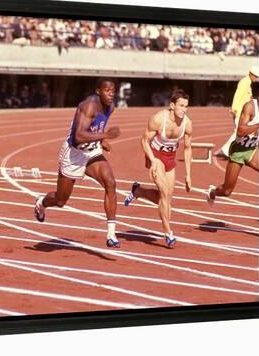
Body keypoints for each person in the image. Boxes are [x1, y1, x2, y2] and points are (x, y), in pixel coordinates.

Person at [34, 78, 122, 247]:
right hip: (73, 154)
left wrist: (101, 139)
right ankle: (41, 202)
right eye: (107, 90)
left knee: (110, 183)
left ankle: (111, 234)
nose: (111, 94)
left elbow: (97, 126)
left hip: (92, 152)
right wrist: (105, 136)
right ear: (98, 91)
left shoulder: (111, 107)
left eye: (113, 90)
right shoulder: (88, 106)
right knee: (60, 200)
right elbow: (78, 137)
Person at [123, 89, 193, 248]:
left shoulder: (187, 124)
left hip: (170, 160)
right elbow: (144, 140)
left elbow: (188, 148)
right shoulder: (158, 120)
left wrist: (188, 174)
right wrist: (152, 160)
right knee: (164, 193)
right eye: (181, 106)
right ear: (172, 105)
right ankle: (168, 233)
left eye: (186, 106)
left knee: (166, 197)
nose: (184, 109)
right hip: (156, 157)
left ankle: (138, 191)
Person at [207, 81, 259, 204]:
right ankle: (213, 191)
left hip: (252, 150)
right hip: (238, 151)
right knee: (227, 191)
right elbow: (240, 131)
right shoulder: (250, 107)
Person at [214, 65, 259, 159]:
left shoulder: (248, 83)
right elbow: (237, 96)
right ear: (251, 74)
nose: (257, 78)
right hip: (240, 112)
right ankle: (226, 150)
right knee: (238, 132)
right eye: (256, 76)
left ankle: (227, 150)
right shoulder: (244, 82)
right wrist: (234, 108)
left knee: (240, 132)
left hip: (243, 112)